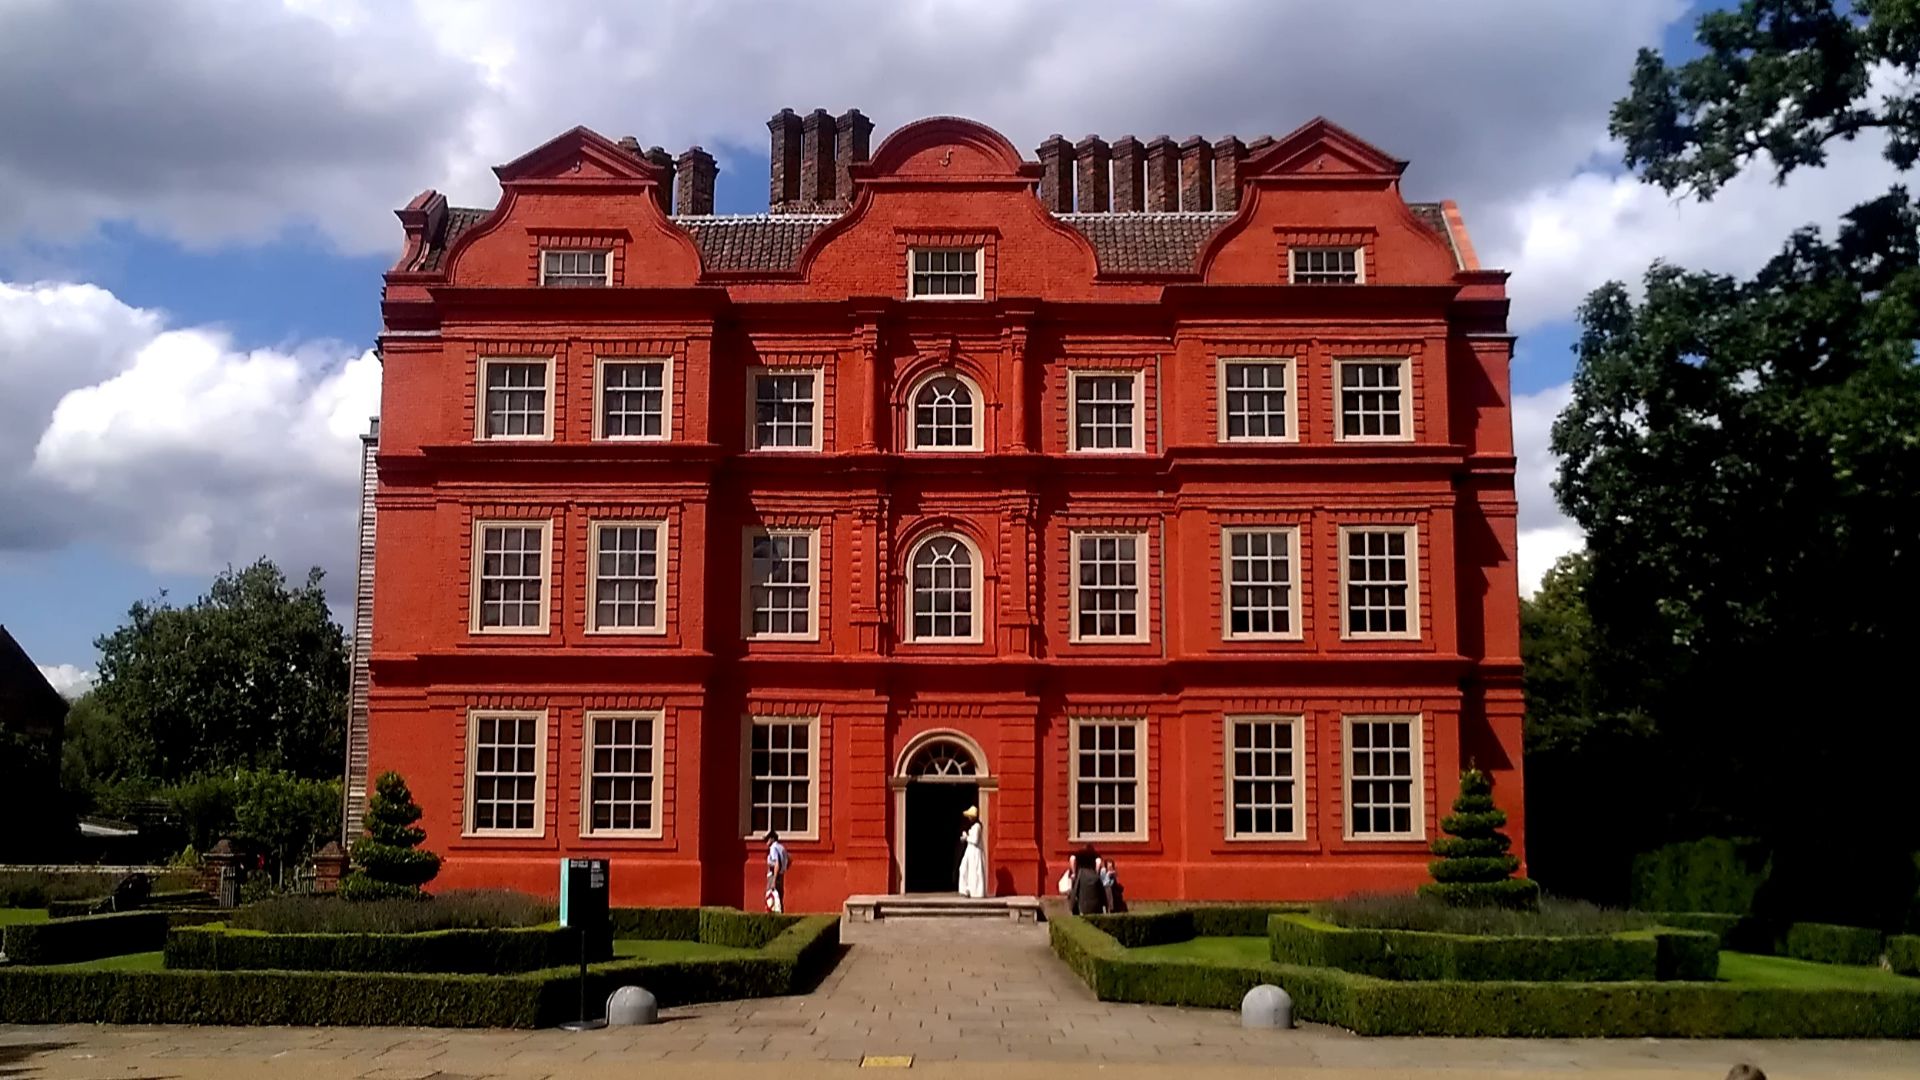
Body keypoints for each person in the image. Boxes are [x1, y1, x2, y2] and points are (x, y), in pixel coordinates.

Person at [957, 806, 986, 898]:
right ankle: (965, 889)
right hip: (970, 851)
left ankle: (975, 891)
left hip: (975, 852)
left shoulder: (977, 827)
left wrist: (966, 837)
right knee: (964, 868)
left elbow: (975, 840)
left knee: (974, 871)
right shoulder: (973, 826)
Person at [1072, 848, 1106, 915]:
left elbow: (1075, 890)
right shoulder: (1095, 876)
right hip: (1096, 906)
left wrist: (1074, 872)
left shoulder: (1081, 874)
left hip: (1084, 905)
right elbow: (1102, 891)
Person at [764, 830, 790, 913]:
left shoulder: (773, 848)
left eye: (767, 839)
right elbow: (789, 859)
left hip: (773, 875)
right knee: (779, 899)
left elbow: (776, 863)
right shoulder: (781, 847)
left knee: (770, 900)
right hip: (780, 875)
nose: (766, 842)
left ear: (772, 839)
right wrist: (783, 869)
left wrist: (774, 880)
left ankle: (771, 918)